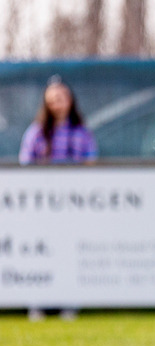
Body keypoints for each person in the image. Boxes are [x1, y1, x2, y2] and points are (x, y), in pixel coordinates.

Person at [20, 76, 97, 321]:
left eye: (61, 98)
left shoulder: (82, 132)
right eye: (52, 100)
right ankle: (38, 303)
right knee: (41, 252)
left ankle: (69, 302)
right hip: (42, 206)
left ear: (70, 100)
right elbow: (25, 166)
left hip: (74, 206)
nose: (57, 104)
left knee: (71, 251)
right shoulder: (36, 133)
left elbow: (91, 163)